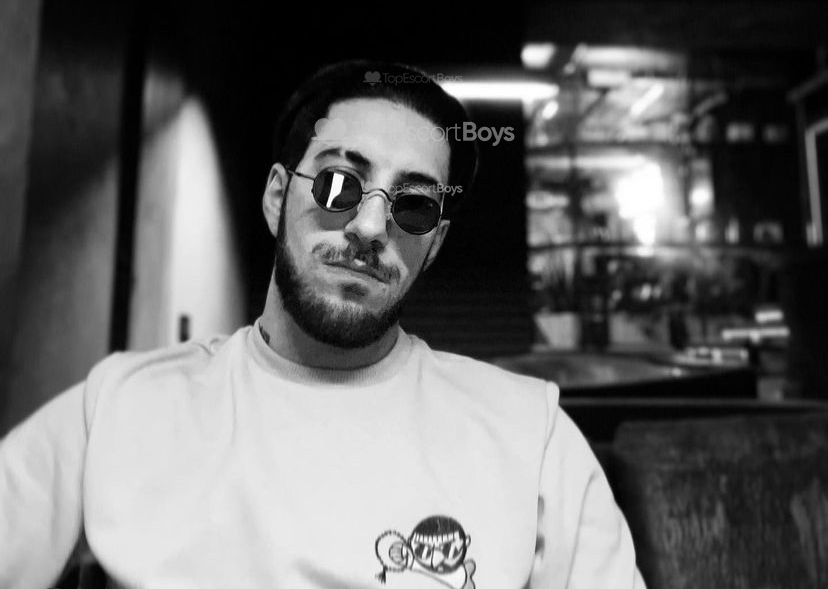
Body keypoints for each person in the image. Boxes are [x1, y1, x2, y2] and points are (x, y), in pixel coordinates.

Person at [0, 59, 646, 589]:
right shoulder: (121, 407)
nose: (369, 227)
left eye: (414, 206)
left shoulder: (530, 436)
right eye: (339, 184)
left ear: (434, 244)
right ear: (277, 196)